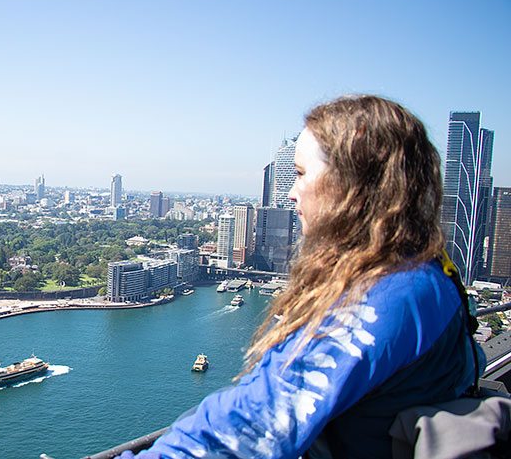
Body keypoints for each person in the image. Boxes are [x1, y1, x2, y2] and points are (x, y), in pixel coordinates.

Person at [118, 95, 484, 458]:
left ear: (349, 185)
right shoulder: (426, 270)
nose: (292, 193)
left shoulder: (388, 296)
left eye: (300, 174)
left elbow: (251, 426)